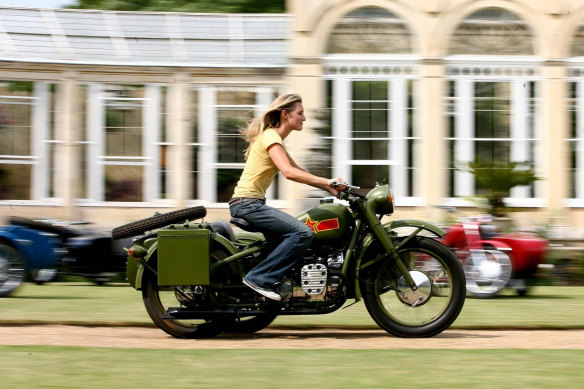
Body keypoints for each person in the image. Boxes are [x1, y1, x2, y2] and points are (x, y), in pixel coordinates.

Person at [229, 93, 345, 301]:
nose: (304, 118)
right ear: (285, 115)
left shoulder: (275, 139)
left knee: (291, 238)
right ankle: (259, 278)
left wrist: (328, 186)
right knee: (302, 233)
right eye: (300, 113)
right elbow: (289, 173)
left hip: (250, 204)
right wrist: (326, 182)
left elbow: (298, 170)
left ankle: (277, 283)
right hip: (248, 205)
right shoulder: (271, 137)